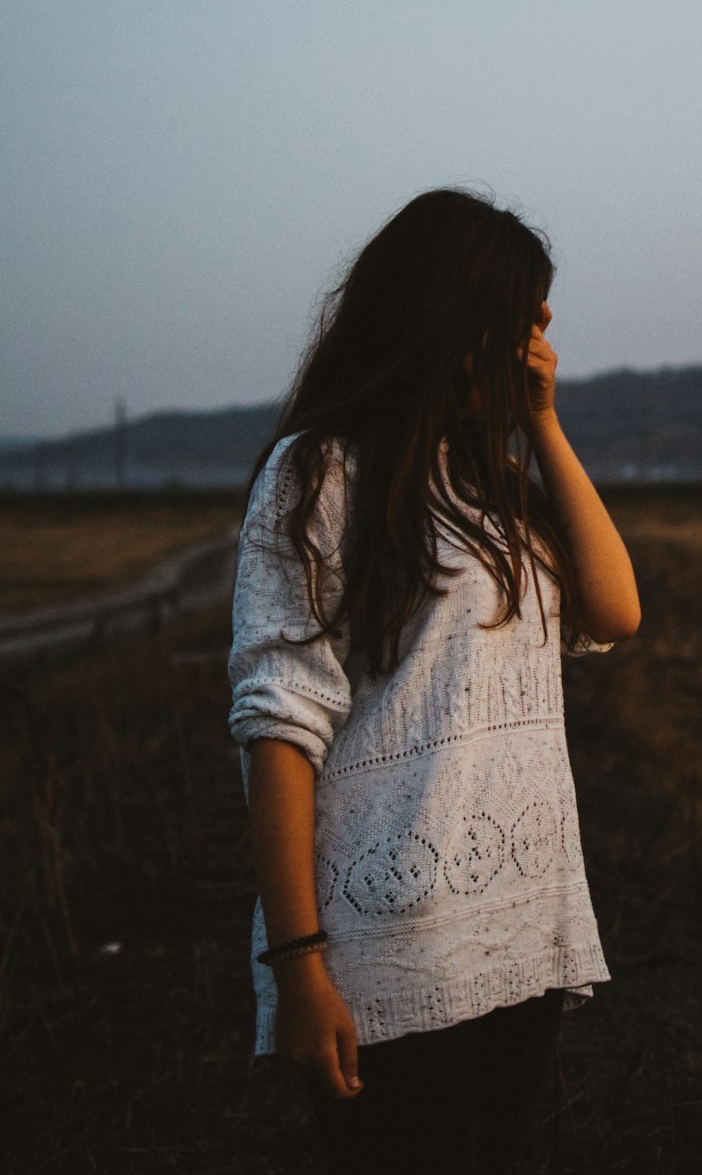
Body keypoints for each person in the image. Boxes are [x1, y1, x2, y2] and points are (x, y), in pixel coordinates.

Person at [227, 186, 642, 1174]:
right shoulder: (317, 470)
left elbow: (616, 611)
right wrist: (297, 968)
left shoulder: (489, 483)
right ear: (454, 317)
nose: (534, 344)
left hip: (522, 931)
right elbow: (281, 722)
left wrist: (542, 423)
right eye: (520, 319)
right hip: (393, 949)